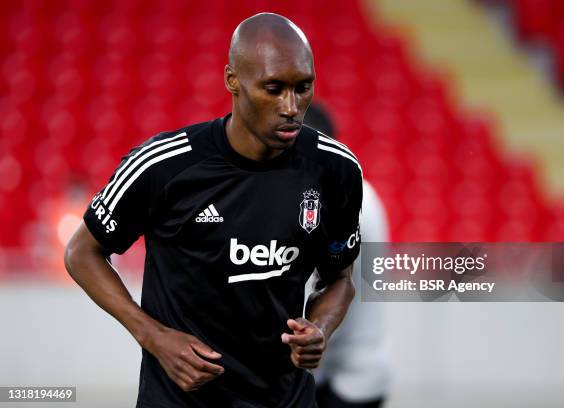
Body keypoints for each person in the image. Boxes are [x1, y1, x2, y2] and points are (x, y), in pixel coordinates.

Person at [63, 13, 363, 408]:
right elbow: (81, 252)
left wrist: (319, 327)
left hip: (286, 400)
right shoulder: (164, 166)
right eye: (273, 88)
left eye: (302, 88)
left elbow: (339, 278)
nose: (291, 106)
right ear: (232, 80)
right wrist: (153, 336)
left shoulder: (335, 169)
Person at [304, 104, 390, 408]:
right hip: (358, 370)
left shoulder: (344, 198)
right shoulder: (364, 191)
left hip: (346, 379)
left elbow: (337, 292)